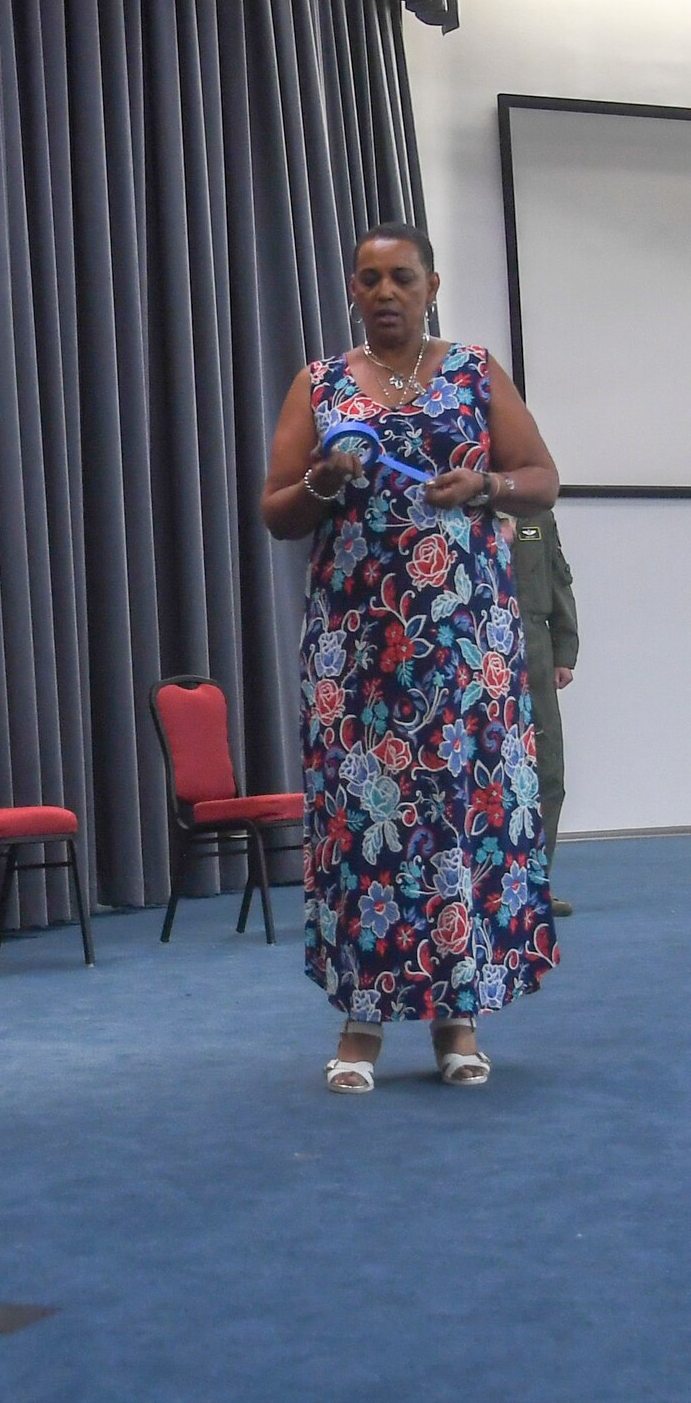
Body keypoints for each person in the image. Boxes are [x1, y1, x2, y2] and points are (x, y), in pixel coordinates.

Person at [261, 223, 561, 1095]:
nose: (385, 292)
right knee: (367, 826)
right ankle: (360, 1024)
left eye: (401, 277)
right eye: (368, 280)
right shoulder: (320, 384)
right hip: (359, 654)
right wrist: (325, 478)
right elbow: (277, 512)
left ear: (431, 284)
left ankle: (457, 1021)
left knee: (460, 822)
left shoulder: (473, 370)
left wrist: (487, 486)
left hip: (467, 647)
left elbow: (541, 474)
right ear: (351, 291)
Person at [508, 511, 579, 915]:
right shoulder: (459, 503)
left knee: (547, 773)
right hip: (473, 645)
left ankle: (536, 885)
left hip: (533, 647)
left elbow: (557, 578)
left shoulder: (534, 511)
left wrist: (564, 649)